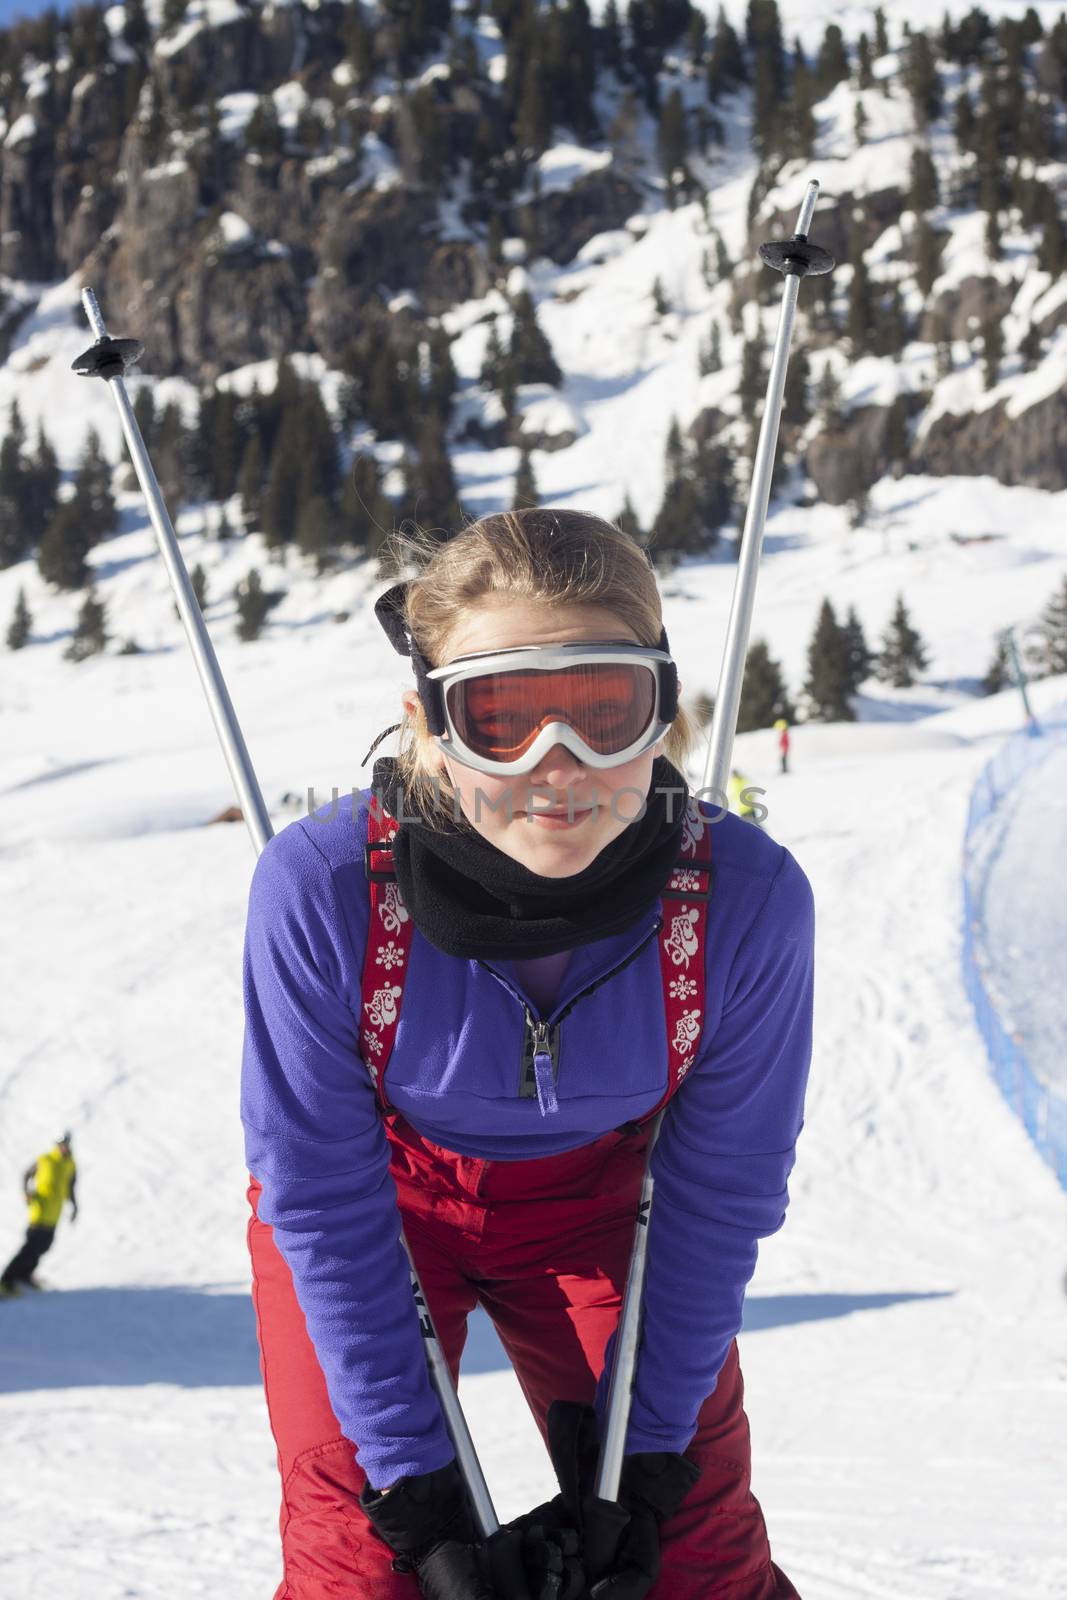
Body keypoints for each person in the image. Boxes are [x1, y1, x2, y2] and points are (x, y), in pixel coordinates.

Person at [242, 509, 814, 1599]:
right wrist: (415, 1486)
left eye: (605, 711)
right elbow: (315, 1192)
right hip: (381, 1213)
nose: (561, 768)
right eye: (503, 716)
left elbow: (719, 1192)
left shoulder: (738, 902)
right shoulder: (323, 892)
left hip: (604, 1207)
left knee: (689, 1547)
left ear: (662, 711)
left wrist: (645, 1464)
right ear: (428, 720)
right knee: (360, 1562)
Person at [1, 1132, 78, 1296]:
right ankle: (6, 1281)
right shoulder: (45, 1159)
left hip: (54, 1213)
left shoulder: (70, 1164)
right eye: (60, 1143)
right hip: (40, 1210)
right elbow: (27, 1175)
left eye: (65, 1143)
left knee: (44, 1246)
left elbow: (71, 1187)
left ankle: (24, 1275)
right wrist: (27, 1193)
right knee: (30, 1247)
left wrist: (74, 1206)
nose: (63, 1147)